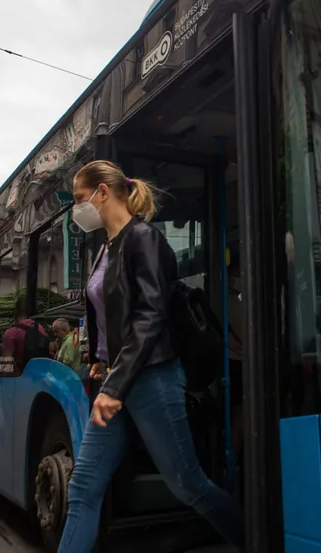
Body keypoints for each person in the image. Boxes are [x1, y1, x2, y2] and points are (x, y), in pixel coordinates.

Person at [58, 161, 243, 553]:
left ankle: (256, 540)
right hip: (118, 378)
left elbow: (150, 316)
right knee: (83, 487)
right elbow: (111, 312)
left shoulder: (143, 238)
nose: (78, 209)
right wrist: (99, 356)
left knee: (188, 485)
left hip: (151, 379)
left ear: (102, 193)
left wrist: (116, 382)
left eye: (79, 199)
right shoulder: (107, 247)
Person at [0, 297, 51, 375]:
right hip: (39, 379)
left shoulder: (11, 333)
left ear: (15, 311)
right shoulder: (41, 329)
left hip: (20, 380)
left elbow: (6, 365)